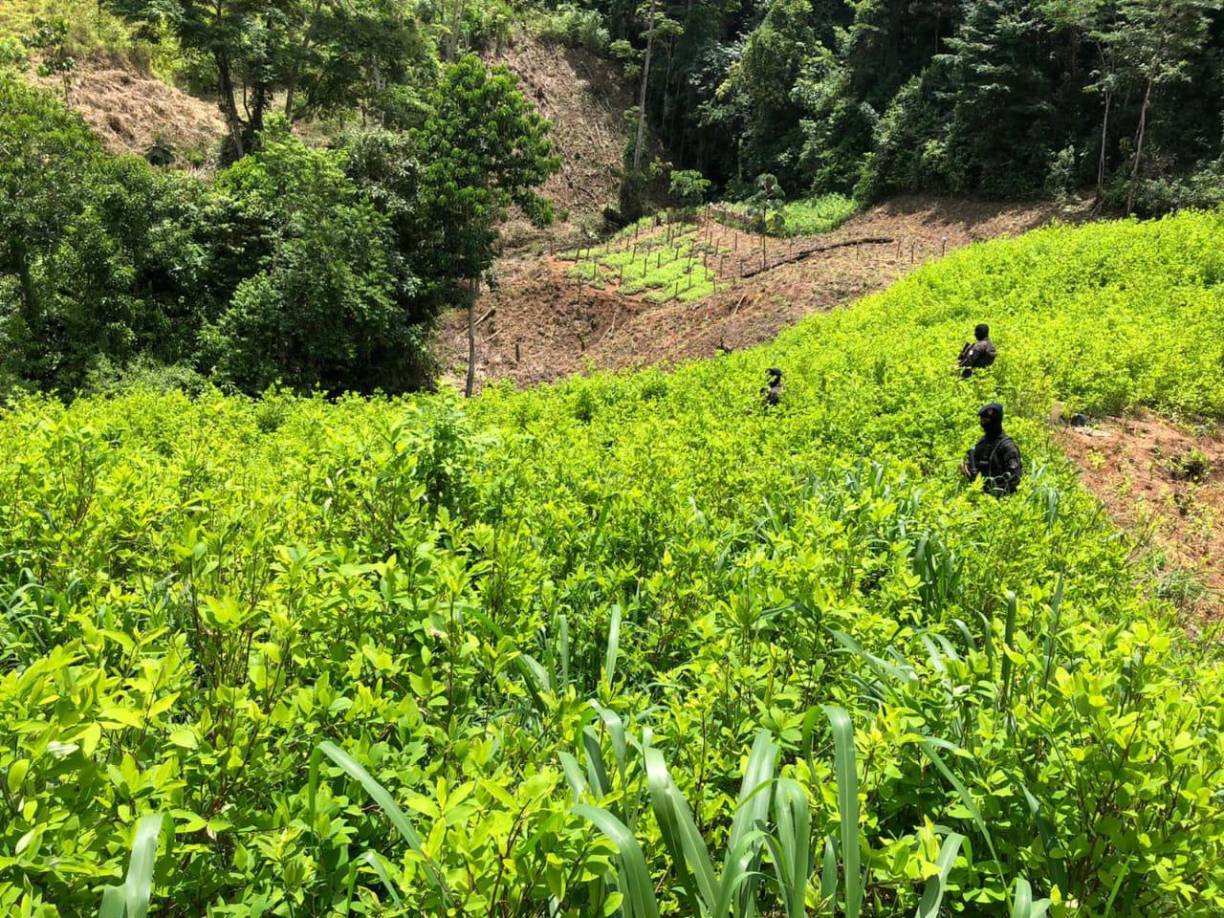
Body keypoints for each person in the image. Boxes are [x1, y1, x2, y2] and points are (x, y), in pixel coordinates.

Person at [960, 402, 1022, 496]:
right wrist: (966, 470)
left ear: (995, 421)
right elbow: (976, 470)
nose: (983, 423)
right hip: (978, 497)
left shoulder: (1007, 446)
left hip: (1000, 502)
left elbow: (1014, 479)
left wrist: (993, 494)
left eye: (986, 420)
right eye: (982, 420)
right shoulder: (981, 443)